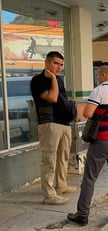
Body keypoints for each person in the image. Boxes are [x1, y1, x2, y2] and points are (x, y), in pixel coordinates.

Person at [67, 62, 108, 226]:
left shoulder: (99, 91)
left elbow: (88, 113)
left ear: (103, 75)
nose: (97, 78)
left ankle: (82, 214)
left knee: (90, 177)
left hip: (102, 140)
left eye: (98, 76)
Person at [30, 51, 77, 205]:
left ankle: (61, 185)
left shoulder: (59, 80)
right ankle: (49, 194)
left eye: (61, 64)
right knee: (49, 160)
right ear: (47, 62)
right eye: (56, 63)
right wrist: (54, 80)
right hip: (49, 123)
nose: (59, 67)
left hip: (64, 123)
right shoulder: (38, 80)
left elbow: (62, 100)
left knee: (63, 157)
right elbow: (52, 97)